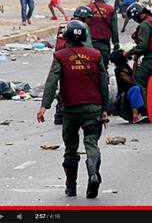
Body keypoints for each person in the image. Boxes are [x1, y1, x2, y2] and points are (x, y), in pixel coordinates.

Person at [37, 20, 109, 199]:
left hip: (70, 110)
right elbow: (103, 84)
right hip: (93, 108)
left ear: (67, 37)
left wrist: (44, 106)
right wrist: (105, 109)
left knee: (70, 148)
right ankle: (93, 174)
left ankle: (71, 186)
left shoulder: (60, 56)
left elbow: (52, 82)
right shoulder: (96, 55)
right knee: (91, 142)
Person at [53, 6, 94, 125]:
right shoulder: (82, 27)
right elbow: (88, 46)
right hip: (75, 58)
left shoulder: (64, 25)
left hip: (61, 57)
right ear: (84, 18)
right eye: (89, 18)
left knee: (64, 85)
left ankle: (59, 114)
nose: (90, 21)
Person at [124, 2, 152, 103]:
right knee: (149, 81)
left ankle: (146, 107)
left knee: (139, 80)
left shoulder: (145, 25)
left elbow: (142, 45)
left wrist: (128, 53)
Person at [87, 0, 120, 69]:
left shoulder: (88, 8)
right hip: (104, 45)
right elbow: (114, 29)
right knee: (103, 69)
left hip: (89, 44)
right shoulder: (111, 9)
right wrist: (116, 44)